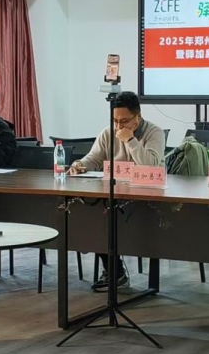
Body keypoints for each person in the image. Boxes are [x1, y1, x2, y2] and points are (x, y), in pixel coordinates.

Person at [69, 91, 165, 292]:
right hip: (114, 195)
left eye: (124, 121)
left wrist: (130, 141)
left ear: (138, 117)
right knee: (94, 215)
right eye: (115, 121)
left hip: (146, 198)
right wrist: (80, 164)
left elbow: (150, 166)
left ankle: (117, 271)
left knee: (108, 217)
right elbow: (94, 158)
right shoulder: (108, 132)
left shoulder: (154, 132)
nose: (119, 126)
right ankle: (114, 271)